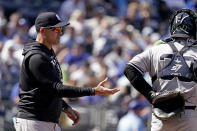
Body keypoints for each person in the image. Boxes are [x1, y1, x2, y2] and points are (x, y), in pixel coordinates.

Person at [14, 12, 119, 131]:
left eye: (61, 29)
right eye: (56, 29)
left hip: (45, 121)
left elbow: (48, 91)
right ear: (43, 31)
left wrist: (65, 107)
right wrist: (93, 91)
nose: (61, 33)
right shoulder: (36, 57)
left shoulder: (48, 53)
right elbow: (56, 88)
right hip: (34, 121)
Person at [124, 9, 197, 131]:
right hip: (189, 116)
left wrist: (151, 95)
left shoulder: (156, 49)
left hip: (161, 116)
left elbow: (129, 69)